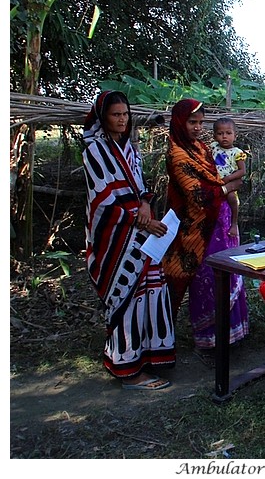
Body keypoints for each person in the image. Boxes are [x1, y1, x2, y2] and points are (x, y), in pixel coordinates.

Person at [82, 90, 175, 390]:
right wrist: (139, 215)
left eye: (125, 114)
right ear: (102, 118)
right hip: (115, 236)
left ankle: (146, 357)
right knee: (125, 295)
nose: (122, 120)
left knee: (148, 289)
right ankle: (127, 369)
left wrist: (146, 205)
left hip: (140, 233)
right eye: (115, 115)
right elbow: (104, 197)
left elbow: (139, 186)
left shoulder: (130, 149)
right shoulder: (94, 151)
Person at [163, 99, 249, 353]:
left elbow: (216, 178)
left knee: (228, 269)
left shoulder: (201, 148)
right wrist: (227, 188)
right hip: (194, 227)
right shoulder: (178, 153)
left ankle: (232, 333)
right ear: (180, 122)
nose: (198, 127)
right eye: (192, 122)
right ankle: (208, 336)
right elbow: (197, 195)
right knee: (204, 277)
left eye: (201, 122)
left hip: (219, 218)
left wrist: (224, 190)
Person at [210, 117, 247, 239]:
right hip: (214, 182)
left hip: (229, 183)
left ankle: (234, 223)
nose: (224, 136)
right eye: (220, 134)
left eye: (228, 133)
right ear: (215, 136)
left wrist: (228, 179)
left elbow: (242, 171)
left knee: (232, 198)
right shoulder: (213, 147)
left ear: (235, 136)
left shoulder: (237, 153)